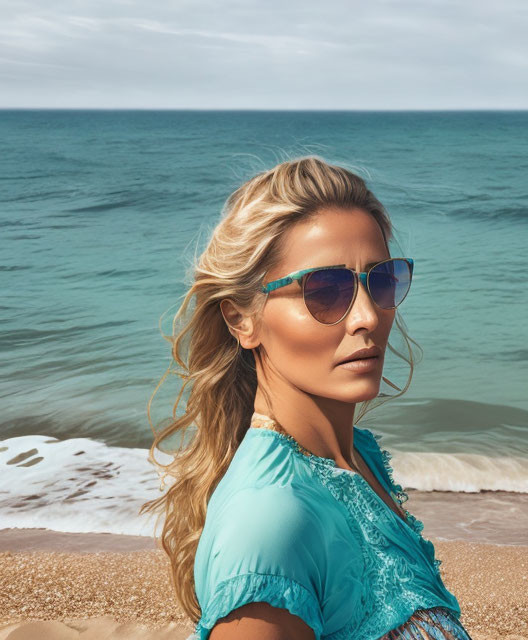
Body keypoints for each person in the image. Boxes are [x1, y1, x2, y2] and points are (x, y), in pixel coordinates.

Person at [140, 157, 473, 639]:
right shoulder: (270, 524)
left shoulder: (356, 458)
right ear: (242, 320)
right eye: (326, 290)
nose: (368, 316)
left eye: (381, 280)